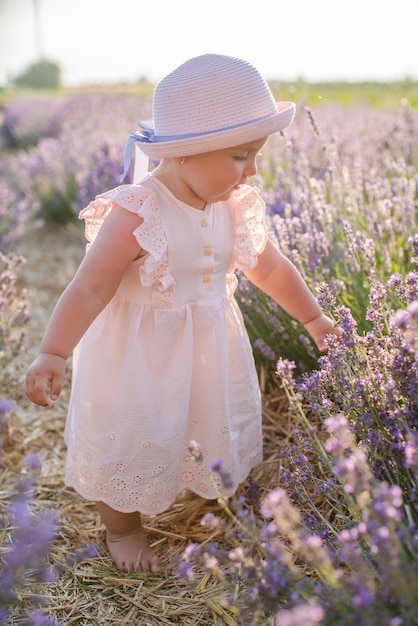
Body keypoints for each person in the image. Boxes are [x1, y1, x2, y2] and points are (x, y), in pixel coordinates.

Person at [25, 54, 338, 574]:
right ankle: (123, 529)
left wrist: (314, 318)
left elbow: (270, 268)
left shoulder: (234, 205)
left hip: (208, 351)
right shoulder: (136, 213)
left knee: (208, 422)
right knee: (130, 434)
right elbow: (90, 286)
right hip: (138, 361)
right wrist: (53, 351)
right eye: (241, 155)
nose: (253, 169)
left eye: (255, 154)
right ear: (186, 153)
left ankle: (207, 491)